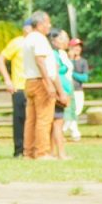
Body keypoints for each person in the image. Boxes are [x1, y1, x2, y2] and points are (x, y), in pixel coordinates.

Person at [22, 11, 66, 159]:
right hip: (41, 81)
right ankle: (42, 152)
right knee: (44, 118)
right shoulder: (40, 39)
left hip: (30, 81)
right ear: (40, 24)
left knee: (31, 119)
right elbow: (40, 61)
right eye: (47, 22)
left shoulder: (28, 38)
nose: (49, 25)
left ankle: (29, 152)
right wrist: (48, 83)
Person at [0, 19, 33, 157]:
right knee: (19, 119)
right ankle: (19, 150)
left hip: (34, 85)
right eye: (27, 28)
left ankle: (32, 148)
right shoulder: (17, 42)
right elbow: (0, 59)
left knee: (33, 118)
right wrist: (7, 80)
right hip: (19, 86)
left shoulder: (38, 43)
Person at [48, 29, 73, 159]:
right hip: (58, 92)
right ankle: (61, 153)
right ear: (54, 40)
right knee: (58, 123)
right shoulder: (53, 54)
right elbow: (54, 74)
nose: (66, 41)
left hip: (61, 91)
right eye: (63, 38)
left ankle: (53, 151)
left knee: (56, 123)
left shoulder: (58, 53)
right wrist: (61, 93)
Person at [65, 38, 89, 141]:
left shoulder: (83, 62)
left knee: (77, 110)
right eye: (75, 47)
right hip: (68, 90)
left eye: (79, 46)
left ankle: (71, 129)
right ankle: (74, 132)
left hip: (78, 90)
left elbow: (84, 78)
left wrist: (73, 73)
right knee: (69, 111)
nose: (77, 49)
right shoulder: (66, 60)